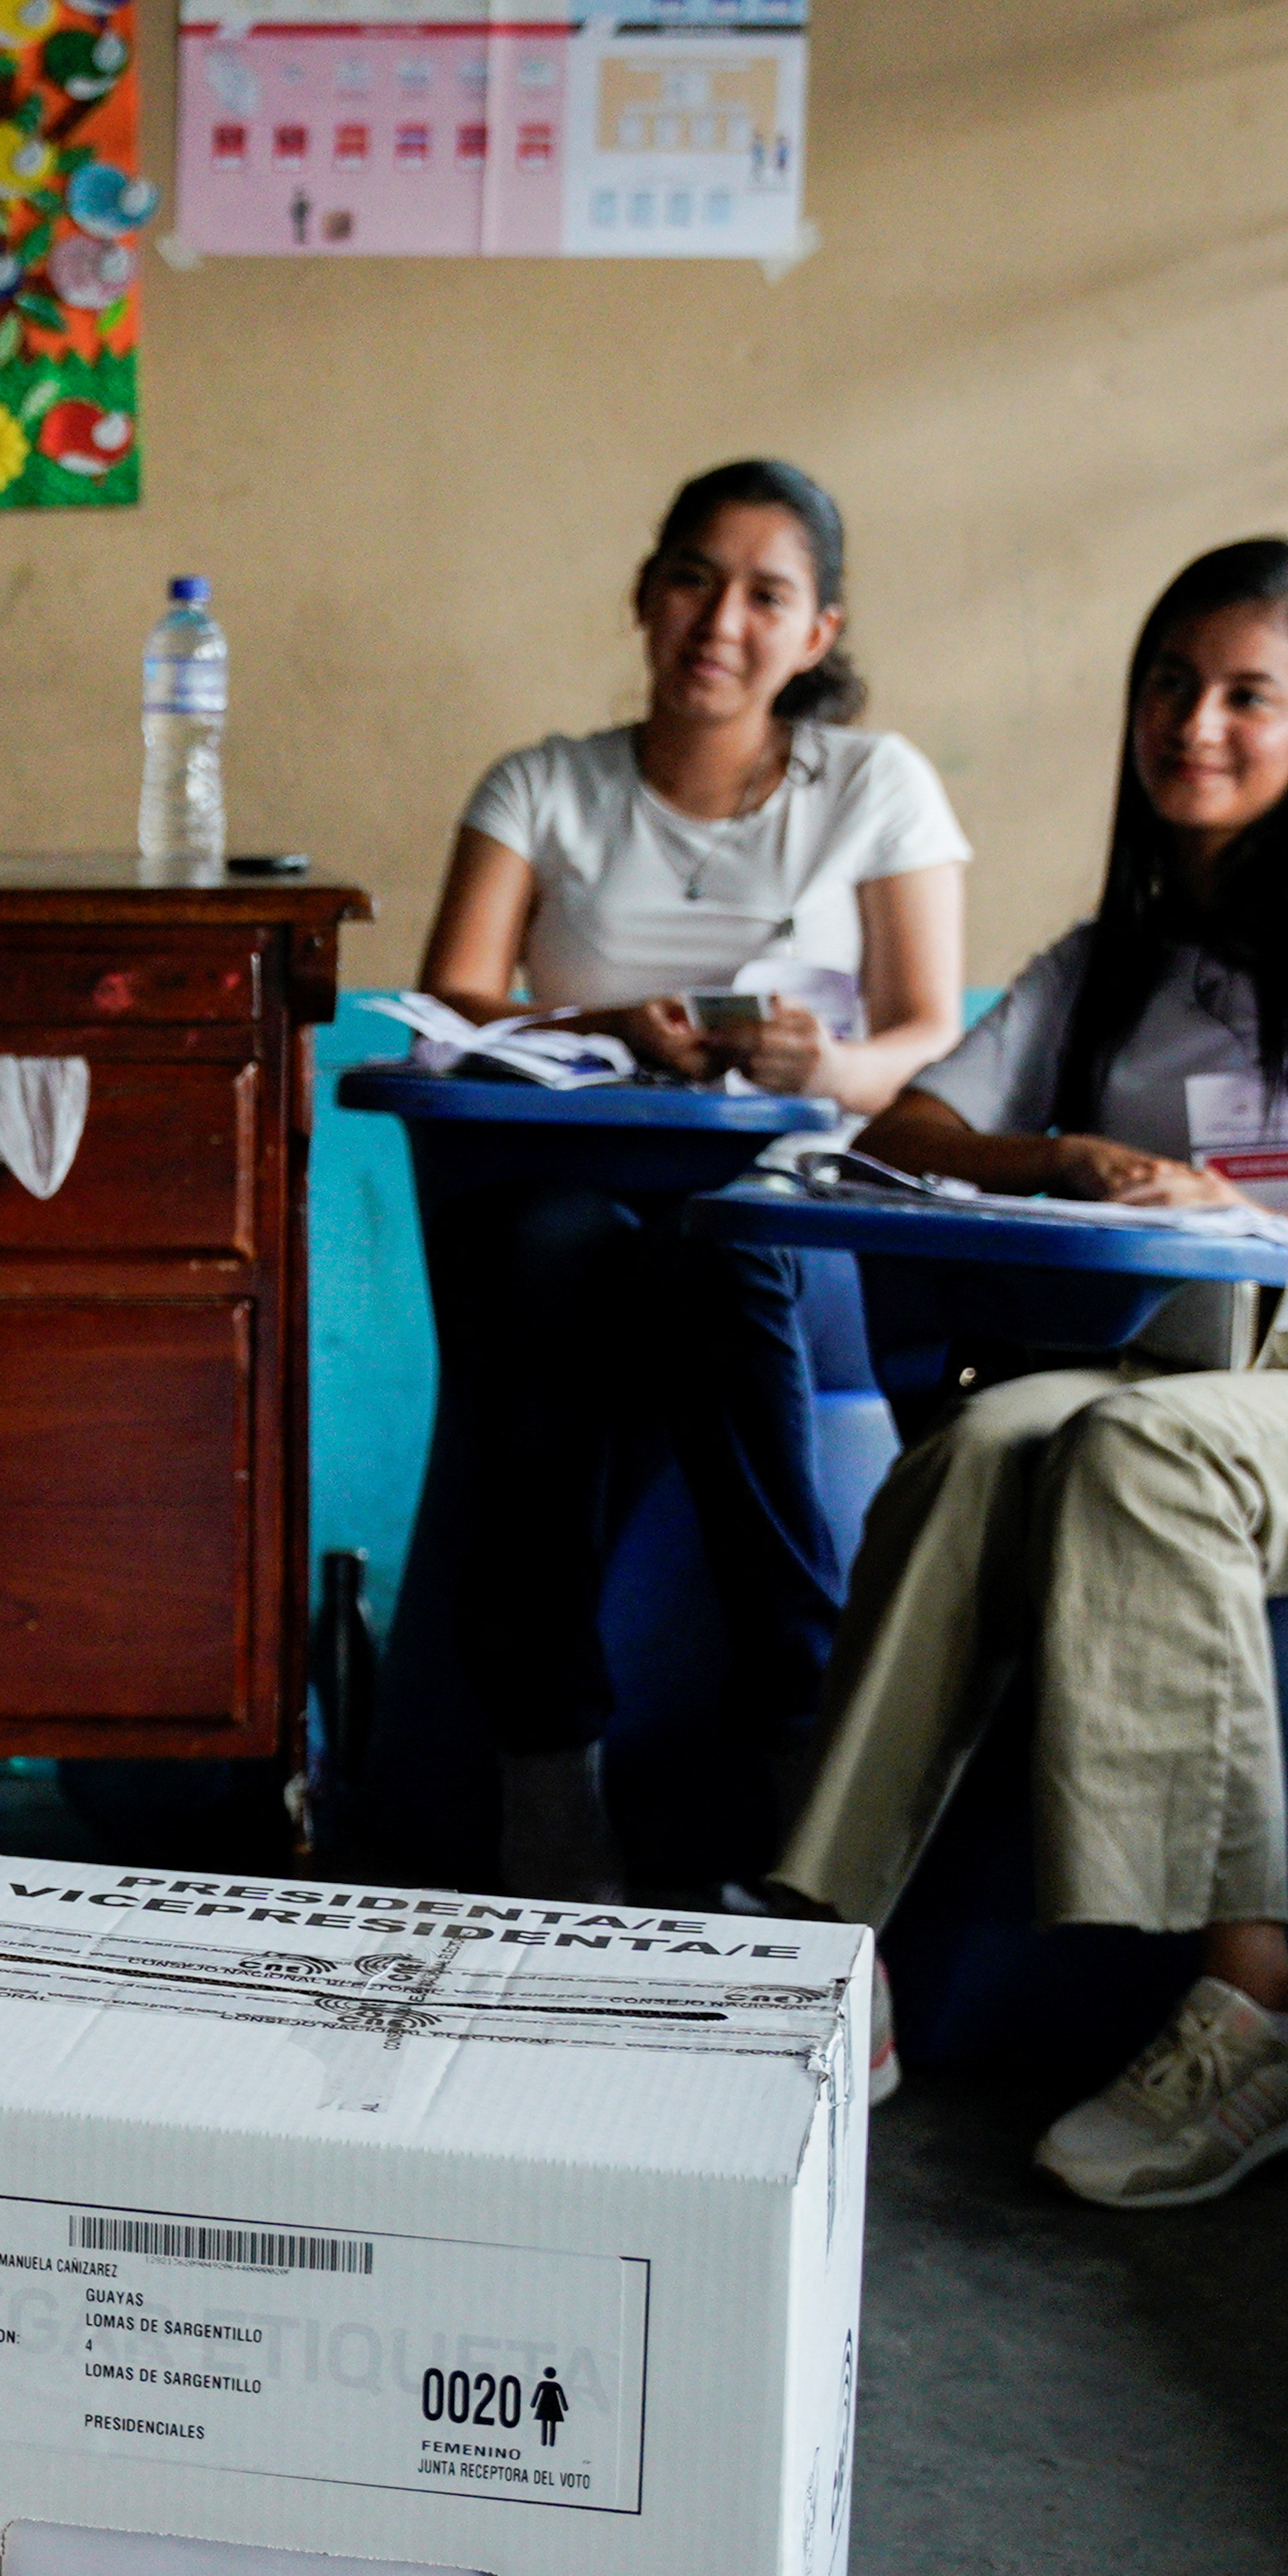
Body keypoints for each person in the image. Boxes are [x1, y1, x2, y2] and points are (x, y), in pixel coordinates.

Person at [756, 539, 1288, 2209]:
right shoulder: (1108, 958)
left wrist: (1270, 1241)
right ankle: (829, 1960)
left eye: (1247, 694)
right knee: (991, 1436)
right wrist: (1060, 1154)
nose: (1196, 723)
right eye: (1170, 685)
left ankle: (1263, 2004)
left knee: (1145, 1457)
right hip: (1186, 1377)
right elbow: (899, 1126)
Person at [405, 459, 969, 1896]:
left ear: (817, 633)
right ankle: (550, 1774)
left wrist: (820, 1065)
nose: (722, 620)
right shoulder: (543, 783)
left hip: (794, 1210)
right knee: (542, 1253)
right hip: (568, 1199)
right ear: (644, 598)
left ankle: (800, 1750)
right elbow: (453, 1000)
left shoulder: (875, 784)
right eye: (693, 580)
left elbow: (926, 1035)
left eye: (766, 594)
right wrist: (601, 1024)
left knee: (731, 1252)